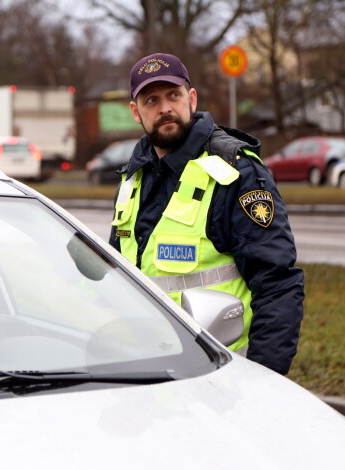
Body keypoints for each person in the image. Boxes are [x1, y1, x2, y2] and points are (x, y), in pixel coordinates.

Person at [109, 52, 304, 375]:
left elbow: (277, 285)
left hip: (222, 381)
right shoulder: (132, 178)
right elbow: (117, 278)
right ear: (135, 112)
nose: (165, 108)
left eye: (174, 95)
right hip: (148, 377)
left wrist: (263, 381)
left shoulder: (236, 173)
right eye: (151, 100)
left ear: (192, 99)